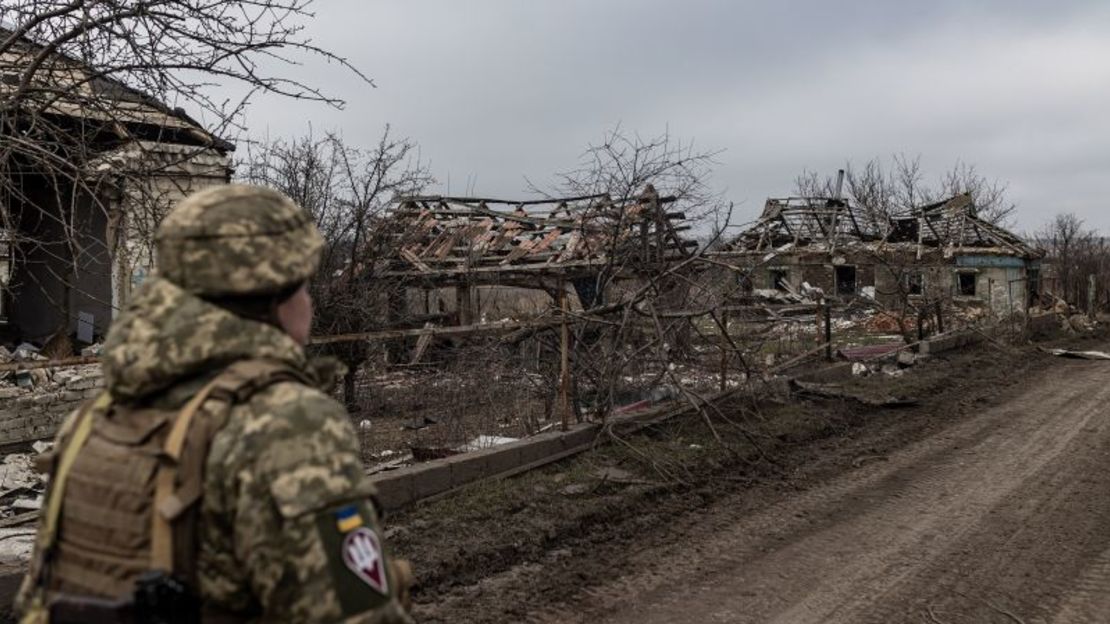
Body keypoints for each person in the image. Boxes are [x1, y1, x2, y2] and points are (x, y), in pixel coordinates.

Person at [16, 184, 414, 623]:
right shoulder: (284, 424)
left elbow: (37, 601)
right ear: (270, 296)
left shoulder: (96, 418)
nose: (310, 302)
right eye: (303, 284)